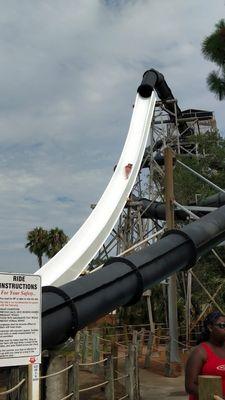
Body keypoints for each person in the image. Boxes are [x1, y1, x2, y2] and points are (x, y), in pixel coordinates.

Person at [185, 311, 225, 400]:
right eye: (222, 325)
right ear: (210, 327)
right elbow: (190, 386)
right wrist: (216, 397)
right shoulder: (199, 352)